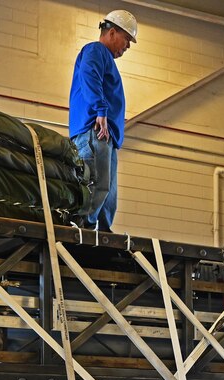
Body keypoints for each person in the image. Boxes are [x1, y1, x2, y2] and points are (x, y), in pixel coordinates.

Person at [69, 9, 137, 232]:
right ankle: (84, 228)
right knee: (97, 184)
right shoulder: (96, 50)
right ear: (112, 32)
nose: (127, 46)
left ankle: (104, 233)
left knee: (107, 192)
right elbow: (89, 74)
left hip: (107, 137)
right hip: (95, 130)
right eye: (126, 39)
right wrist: (100, 110)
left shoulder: (106, 59)